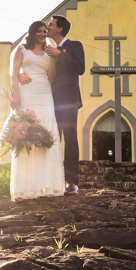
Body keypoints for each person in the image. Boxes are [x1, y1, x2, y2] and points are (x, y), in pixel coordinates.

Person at [8, 21, 66, 201]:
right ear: (32, 33)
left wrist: (54, 59)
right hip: (28, 94)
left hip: (45, 95)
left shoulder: (50, 53)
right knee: (27, 136)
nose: (42, 34)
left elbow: (51, 77)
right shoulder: (22, 50)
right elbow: (14, 73)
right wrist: (16, 95)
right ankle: (24, 189)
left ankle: (47, 185)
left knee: (47, 134)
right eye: (39, 31)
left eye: (44, 31)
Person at [44, 14, 85, 194]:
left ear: (59, 28)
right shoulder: (47, 50)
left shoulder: (74, 46)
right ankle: (52, 180)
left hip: (68, 100)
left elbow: (80, 68)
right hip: (49, 99)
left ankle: (72, 182)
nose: (48, 26)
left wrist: (60, 54)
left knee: (70, 138)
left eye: (50, 24)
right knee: (53, 138)